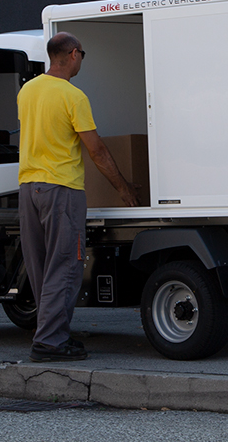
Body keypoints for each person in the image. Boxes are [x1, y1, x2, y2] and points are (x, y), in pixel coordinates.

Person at [17, 32, 139, 362]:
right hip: (61, 190)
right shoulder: (73, 97)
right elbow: (96, 149)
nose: (82, 59)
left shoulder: (27, 91)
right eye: (82, 54)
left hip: (29, 188)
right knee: (66, 265)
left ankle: (49, 334)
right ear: (73, 55)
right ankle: (51, 342)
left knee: (41, 268)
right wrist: (124, 189)